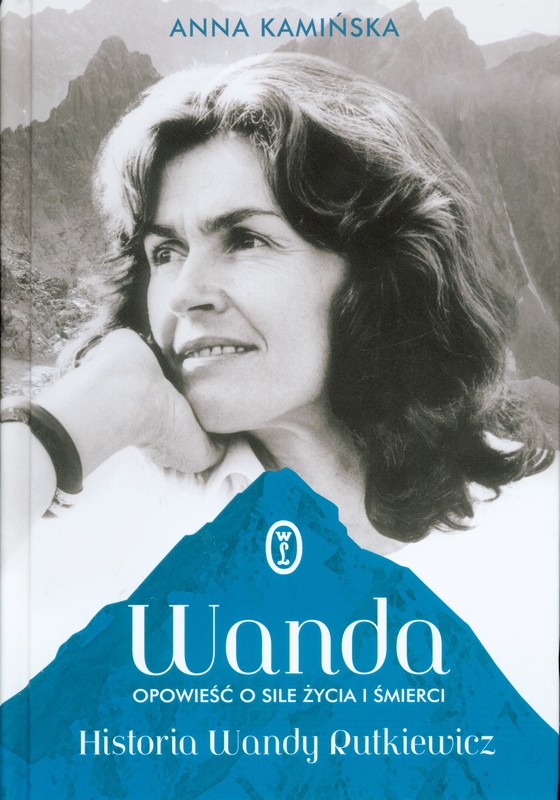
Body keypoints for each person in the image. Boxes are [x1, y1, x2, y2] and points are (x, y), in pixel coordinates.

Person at [1, 54, 556, 722]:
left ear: (377, 272)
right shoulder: (91, 499)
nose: (183, 294)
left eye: (244, 240)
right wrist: (63, 427)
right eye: (165, 253)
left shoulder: (533, 526)